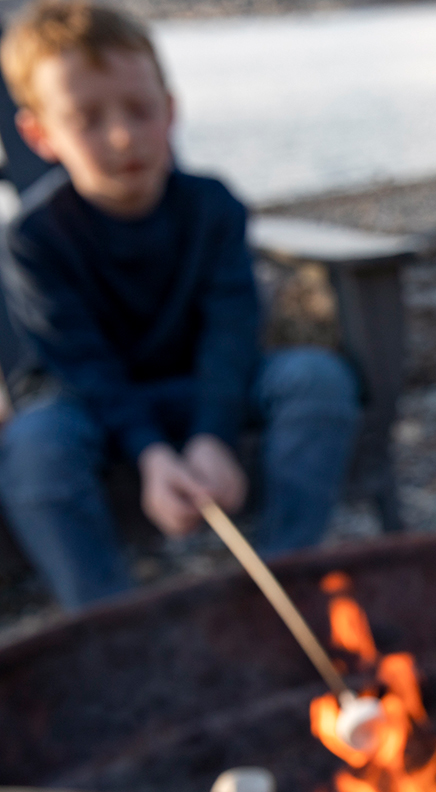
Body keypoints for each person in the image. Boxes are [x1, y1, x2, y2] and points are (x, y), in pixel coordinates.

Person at [0, 0, 361, 610]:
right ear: (40, 135)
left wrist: (213, 435)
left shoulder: (213, 206)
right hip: (94, 406)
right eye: (87, 118)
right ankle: (109, 622)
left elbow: (232, 327)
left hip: (202, 388)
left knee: (316, 379)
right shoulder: (34, 239)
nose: (122, 136)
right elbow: (78, 362)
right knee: (35, 448)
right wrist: (150, 452)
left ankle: (281, 582)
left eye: (139, 111)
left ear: (170, 110)